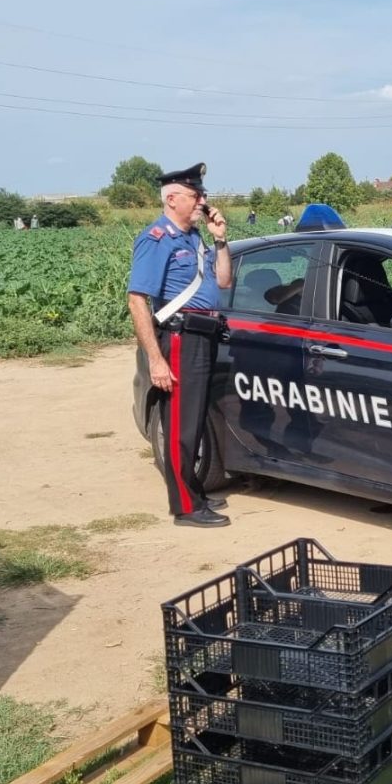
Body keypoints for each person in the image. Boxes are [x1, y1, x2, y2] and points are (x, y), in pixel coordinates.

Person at [127, 161, 234, 527]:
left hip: (203, 336)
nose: (203, 200)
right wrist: (155, 359)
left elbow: (223, 280)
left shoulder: (194, 238)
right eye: (195, 194)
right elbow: (137, 300)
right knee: (179, 425)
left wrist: (220, 239)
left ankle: (194, 492)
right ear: (172, 199)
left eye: (202, 194)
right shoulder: (157, 239)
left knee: (194, 419)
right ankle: (185, 507)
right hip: (178, 338)